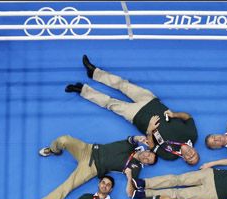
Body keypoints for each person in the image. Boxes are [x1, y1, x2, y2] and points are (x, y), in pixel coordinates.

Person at [65, 55, 199, 165]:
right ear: (195, 151)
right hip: (151, 102)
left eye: (190, 159)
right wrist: (175, 114)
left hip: (138, 117)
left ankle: (82, 90)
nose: (190, 155)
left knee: (110, 103)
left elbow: (152, 147)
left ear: (185, 159)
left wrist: (150, 130)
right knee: (123, 85)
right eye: (194, 155)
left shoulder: (171, 156)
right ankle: (94, 72)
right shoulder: (192, 135)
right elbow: (187, 117)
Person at [29, 136, 155, 199]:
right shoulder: (133, 145)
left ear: (146, 164)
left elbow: (130, 192)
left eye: (148, 161)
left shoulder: (136, 168)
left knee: (66, 187)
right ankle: (54, 150)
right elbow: (130, 140)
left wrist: (128, 177)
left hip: (91, 168)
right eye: (149, 155)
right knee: (63, 140)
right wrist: (138, 138)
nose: (146, 157)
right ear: (146, 150)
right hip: (89, 149)